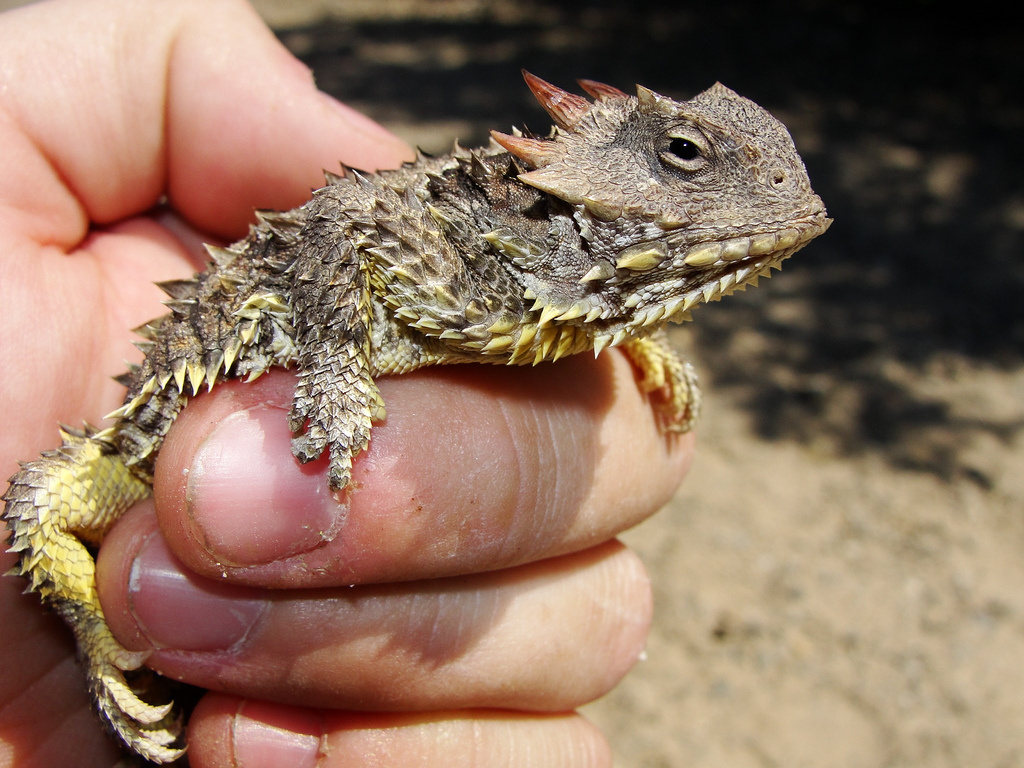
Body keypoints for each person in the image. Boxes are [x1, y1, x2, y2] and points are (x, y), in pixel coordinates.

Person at [0, 0, 692, 765]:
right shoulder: (476, 242)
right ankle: (100, 644)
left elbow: (584, 292)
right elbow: (347, 222)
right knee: (40, 507)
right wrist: (334, 372)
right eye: (686, 154)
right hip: (139, 451)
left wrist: (631, 333)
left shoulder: (563, 287)